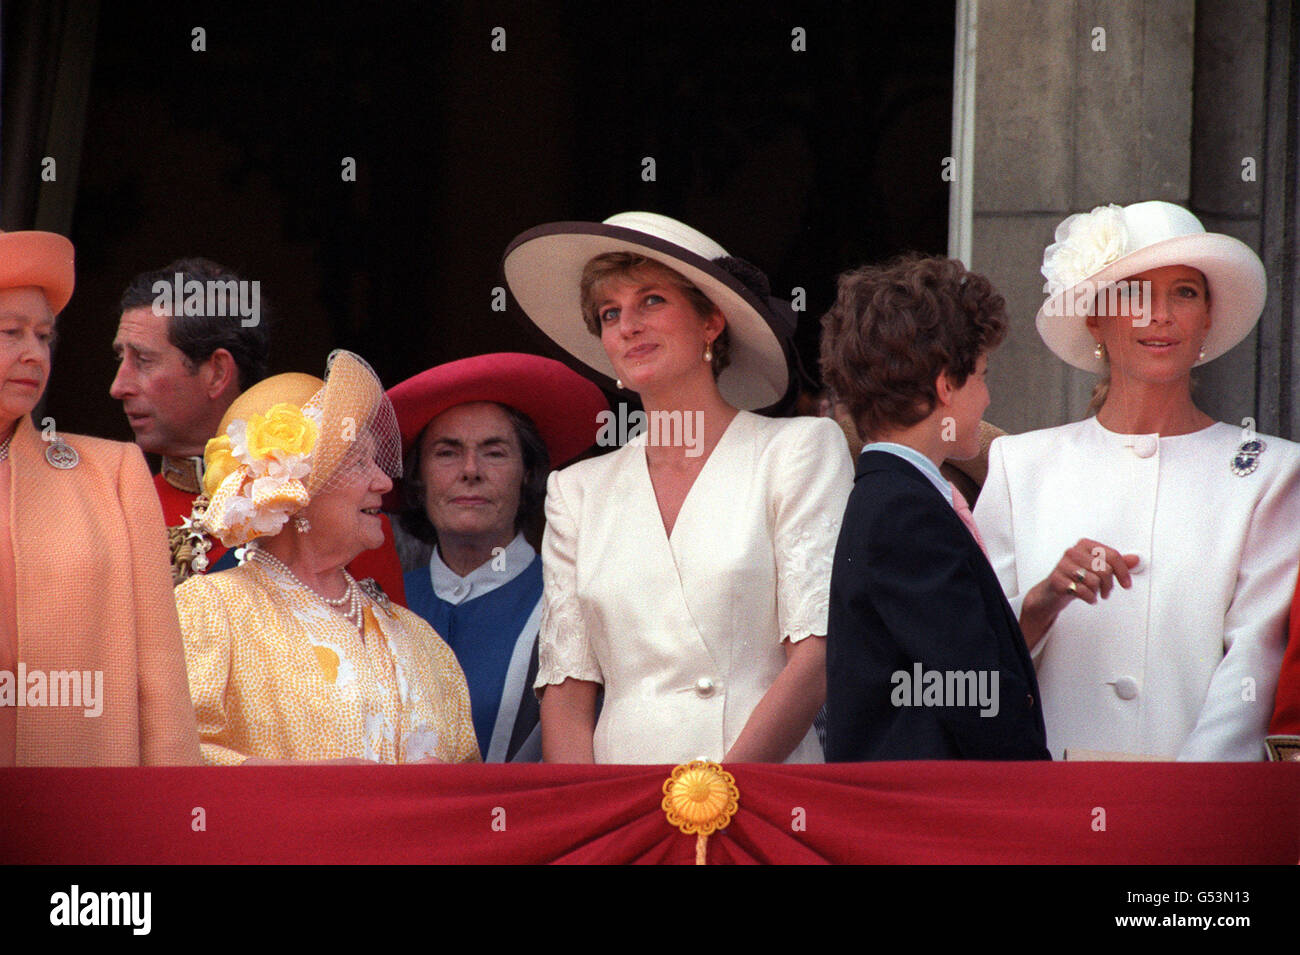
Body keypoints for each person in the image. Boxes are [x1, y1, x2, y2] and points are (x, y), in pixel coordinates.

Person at [504, 212, 852, 764]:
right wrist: (591, 819)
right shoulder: (576, 490)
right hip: (622, 808)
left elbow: (816, 656)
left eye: (652, 301)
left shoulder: (799, 450)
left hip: (758, 793)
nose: (628, 326)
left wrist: (716, 798)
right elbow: (567, 692)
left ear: (711, 322)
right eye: (610, 313)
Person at [975, 200, 1300, 761]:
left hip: (1198, 821)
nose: (1161, 315)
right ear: (1096, 316)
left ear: (1208, 318)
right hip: (1047, 816)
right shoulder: (1019, 465)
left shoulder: (1270, 471)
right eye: (1135, 293)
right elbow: (969, 661)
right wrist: (1042, 602)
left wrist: (1184, 805)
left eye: (1185, 292)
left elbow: (1254, 659)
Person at [175, 350, 478, 765]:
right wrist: (313, 784)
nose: (383, 480)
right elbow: (172, 755)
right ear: (294, 492)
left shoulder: (418, 637)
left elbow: (469, 785)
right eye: (358, 463)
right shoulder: (212, 609)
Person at [820, 255, 1050, 761]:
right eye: (983, 376)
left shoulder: (894, 496)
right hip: (937, 812)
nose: (988, 397)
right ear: (946, 384)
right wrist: (1032, 780)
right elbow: (971, 688)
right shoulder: (905, 509)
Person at [0, 230, 199, 765]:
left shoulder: (111, 473)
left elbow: (161, 686)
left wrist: (173, 817)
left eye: (43, 337)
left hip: (81, 807)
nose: (32, 354)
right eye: (10, 332)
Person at [110, 258, 406, 600]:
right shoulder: (114, 511)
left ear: (218, 372)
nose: (118, 387)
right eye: (122, 359)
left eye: (143, 361)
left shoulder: (339, 518)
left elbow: (378, 649)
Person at [388, 353, 606, 762]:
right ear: (417, 476)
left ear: (528, 473)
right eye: (447, 453)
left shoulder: (571, 598)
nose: (470, 471)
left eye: (494, 452)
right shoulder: (380, 602)